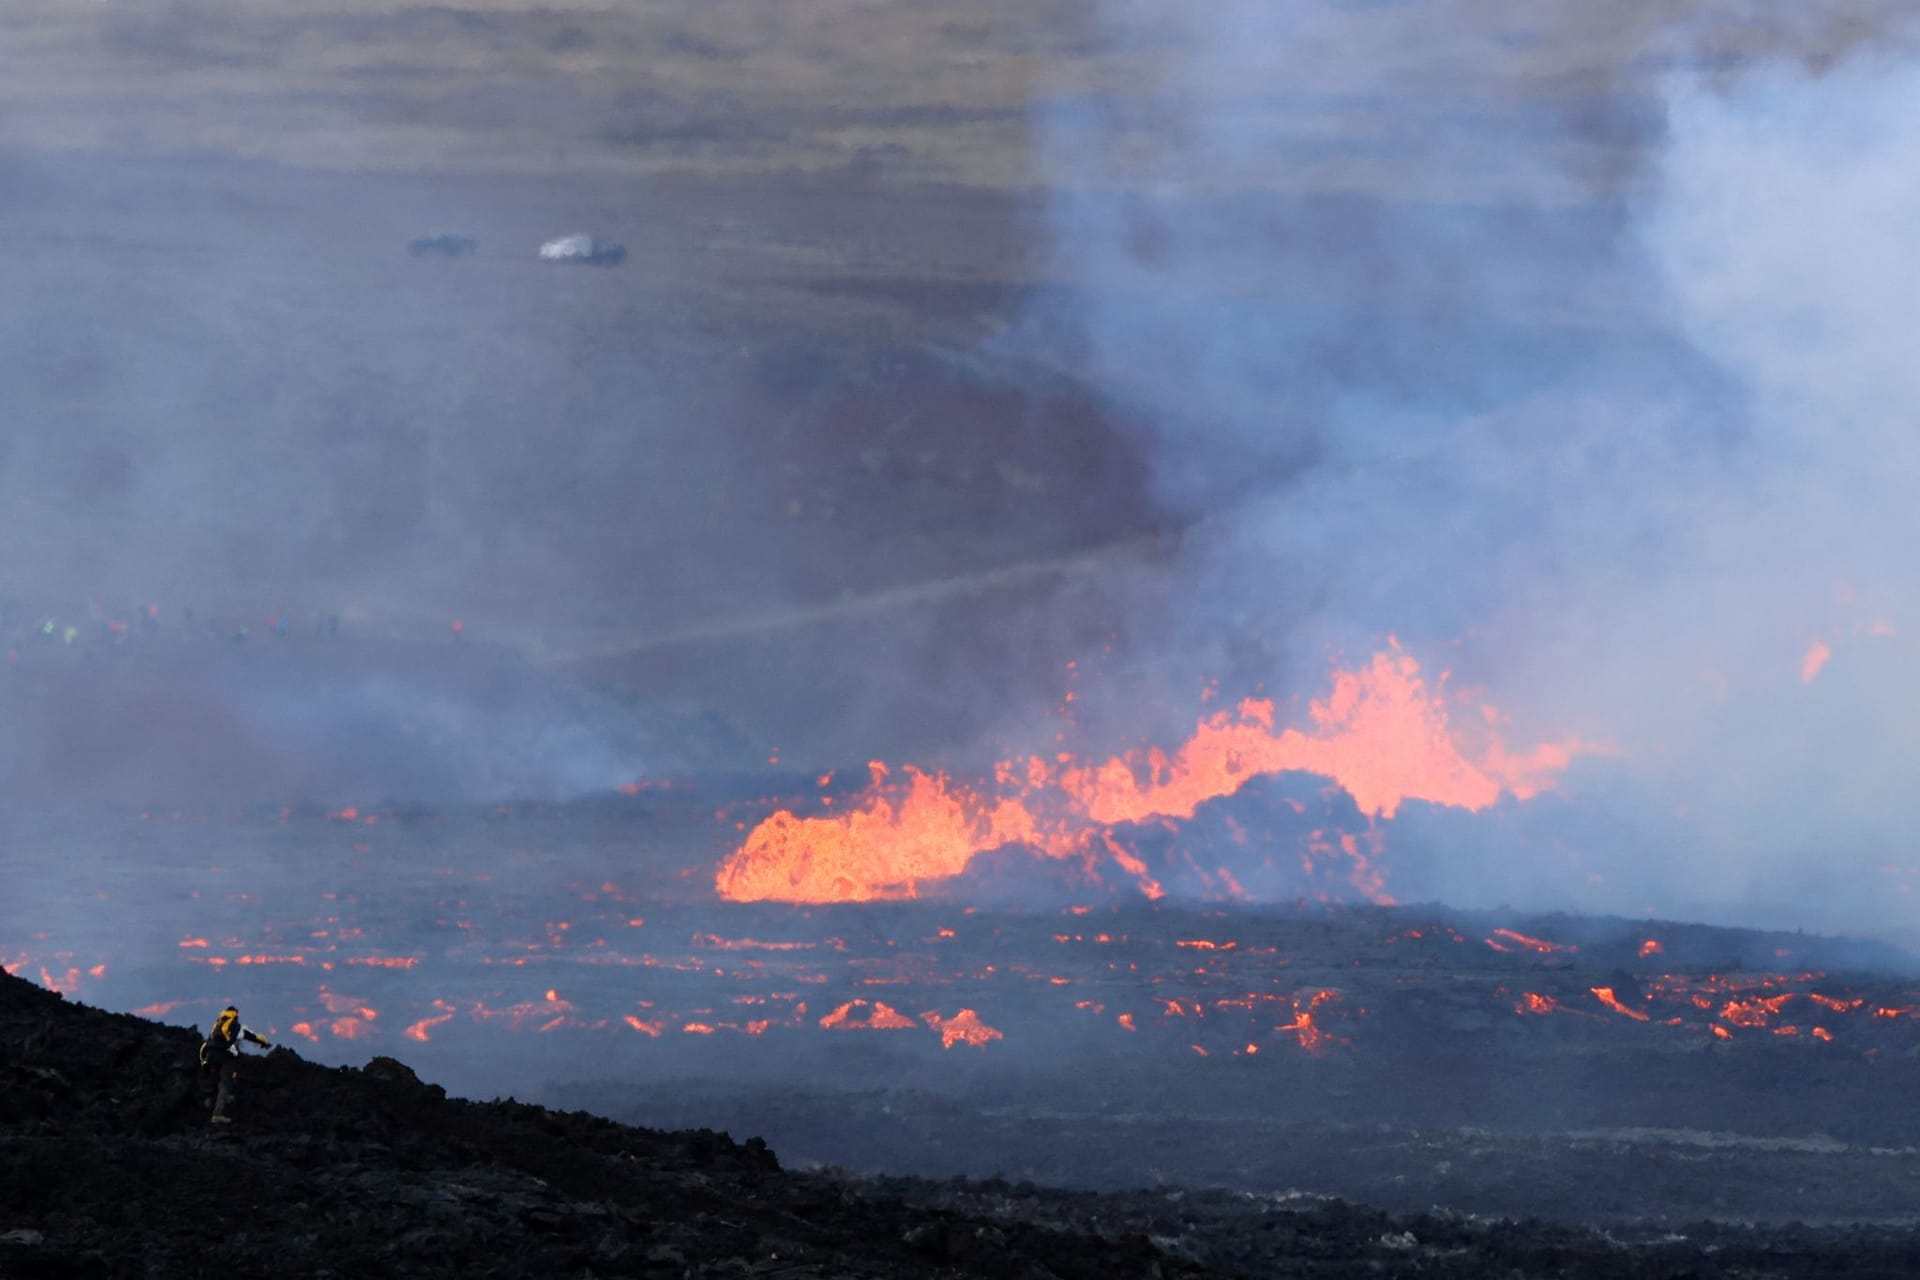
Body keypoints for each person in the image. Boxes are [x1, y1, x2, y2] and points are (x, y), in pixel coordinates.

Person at [199, 1005, 272, 1124]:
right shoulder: (235, 1026)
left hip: (211, 1056)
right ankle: (217, 1114)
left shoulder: (218, 1025)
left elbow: (209, 1042)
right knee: (225, 1083)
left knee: (217, 1080)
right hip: (225, 1057)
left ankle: (214, 1101)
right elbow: (251, 1036)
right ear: (236, 1015)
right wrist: (264, 1043)